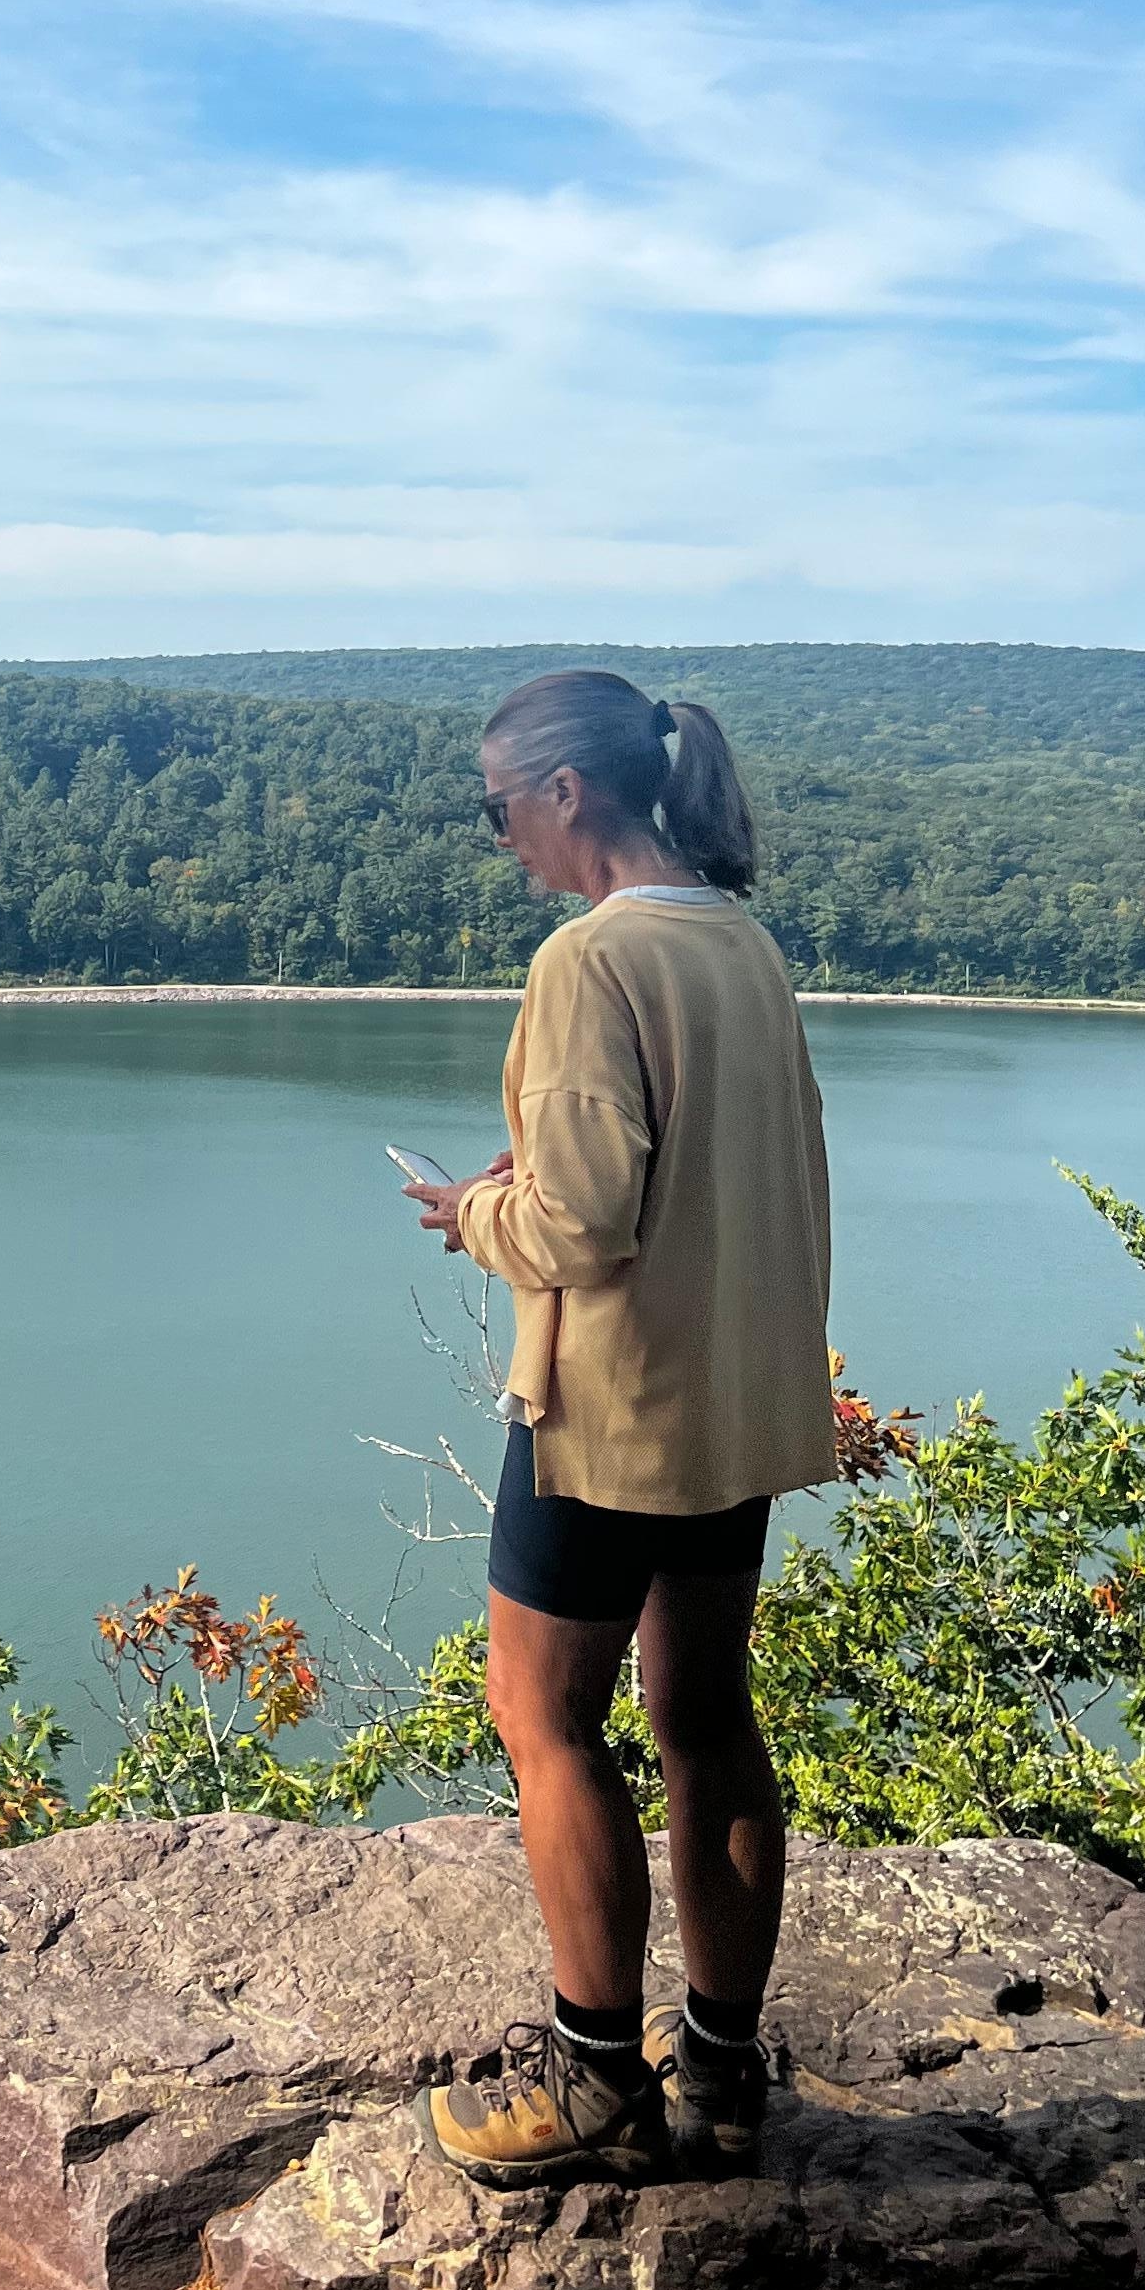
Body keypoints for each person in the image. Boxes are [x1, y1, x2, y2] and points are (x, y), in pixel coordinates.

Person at [401, 669, 832, 2188]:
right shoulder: (742, 943)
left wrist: (474, 1215)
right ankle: (719, 2075)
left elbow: (580, 1221)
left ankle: (594, 2087)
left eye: (497, 805)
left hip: (605, 1415)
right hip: (731, 1405)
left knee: (546, 1722)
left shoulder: (591, 960)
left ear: (566, 794)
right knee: (706, 1718)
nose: (500, 836)